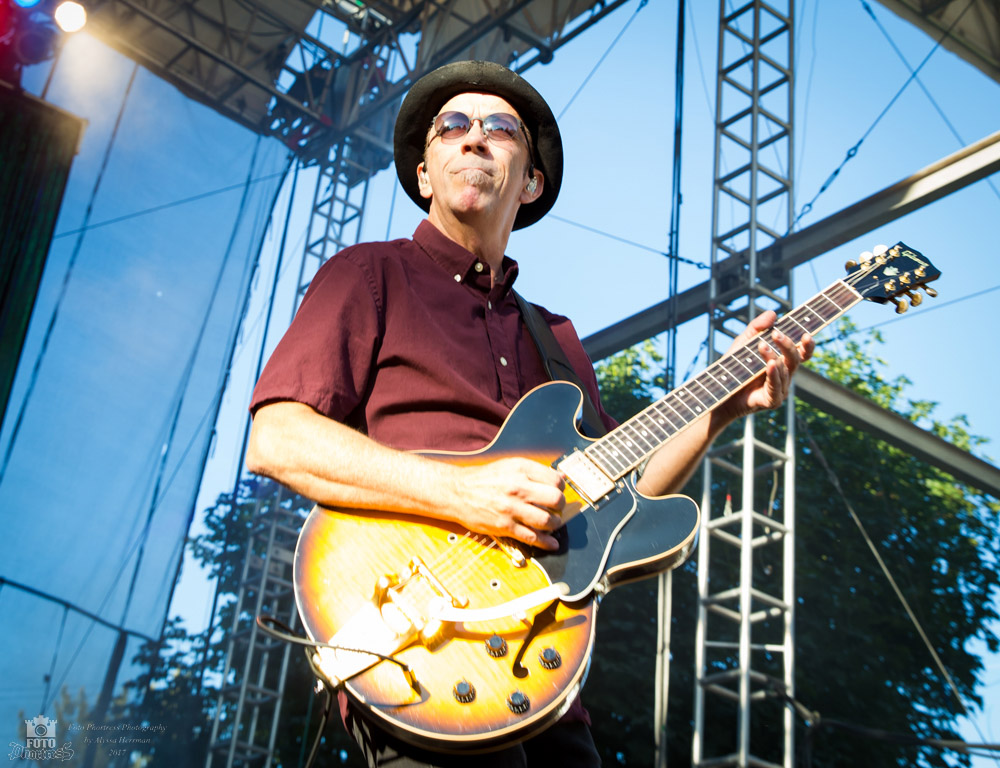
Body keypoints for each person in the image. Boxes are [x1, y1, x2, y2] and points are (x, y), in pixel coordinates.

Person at [246, 59, 813, 768]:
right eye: (452, 126)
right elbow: (277, 437)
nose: (473, 137)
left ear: (531, 183)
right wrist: (462, 492)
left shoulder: (557, 339)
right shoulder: (368, 274)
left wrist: (718, 408)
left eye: (499, 129)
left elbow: (623, 499)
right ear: (424, 174)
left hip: (543, 672)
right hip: (420, 642)